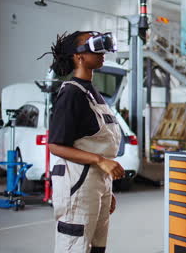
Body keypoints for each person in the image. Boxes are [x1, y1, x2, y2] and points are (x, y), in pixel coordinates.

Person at [40, 31, 125, 253]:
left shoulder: (92, 93)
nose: (102, 52)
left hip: (95, 181)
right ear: (78, 57)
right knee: (75, 246)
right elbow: (55, 145)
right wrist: (100, 161)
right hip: (77, 181)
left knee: (97, 245)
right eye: (93, 46)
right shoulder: (71, 94)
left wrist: (105, 187)